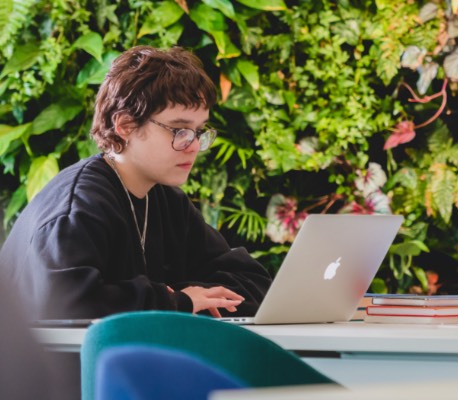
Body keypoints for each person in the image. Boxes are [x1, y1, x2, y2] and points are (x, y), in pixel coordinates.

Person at [0, 46, 271, 320]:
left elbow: (252, 282)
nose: (194, 146)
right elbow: (64, 304)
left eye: (199, 131)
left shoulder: (166, 198)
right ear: (125, 125)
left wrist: (180, 298)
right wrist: (175, 300)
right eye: (179, 130)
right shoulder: (80, 206)